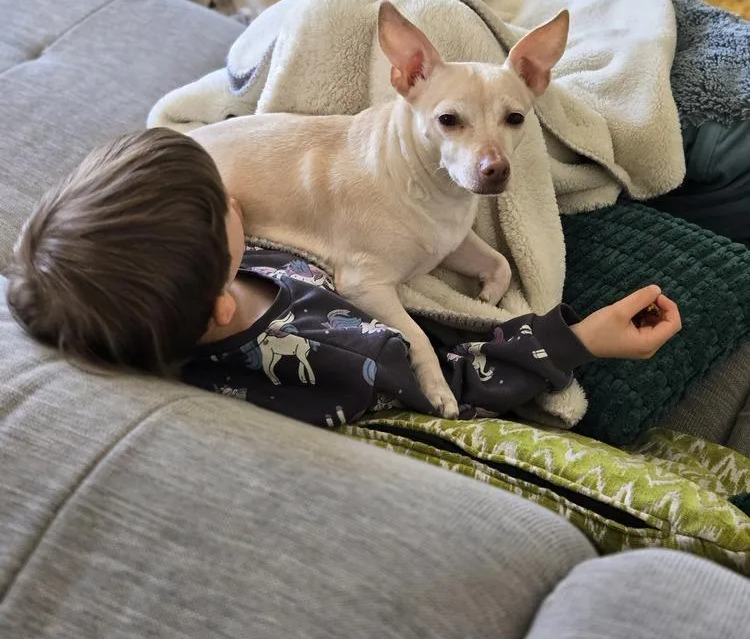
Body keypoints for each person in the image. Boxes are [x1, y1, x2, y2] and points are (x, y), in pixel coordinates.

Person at [6, 128, 682, 429]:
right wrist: (578, 341)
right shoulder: (327, 350)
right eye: (224, 211)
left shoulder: (169, 294)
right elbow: (453, 385)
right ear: (218, 307)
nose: (235, 199)